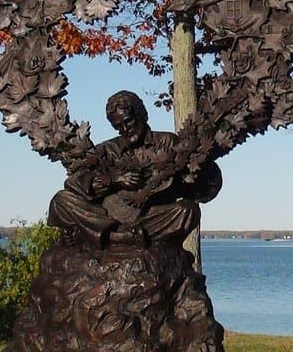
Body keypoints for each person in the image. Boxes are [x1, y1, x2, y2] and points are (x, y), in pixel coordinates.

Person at [48, 90, 222, 248]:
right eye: (118, 126)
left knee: (187, 210)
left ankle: (107, 237)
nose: (124, 129)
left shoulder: (168, 143)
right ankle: (117, 237)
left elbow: (203, 190)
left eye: (128, 121)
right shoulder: (108, 149)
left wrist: (201, 168)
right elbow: (75, 182)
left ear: (142, 114)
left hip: (151, 219)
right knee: (61, 200)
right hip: (109, 218)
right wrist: (115, 180)